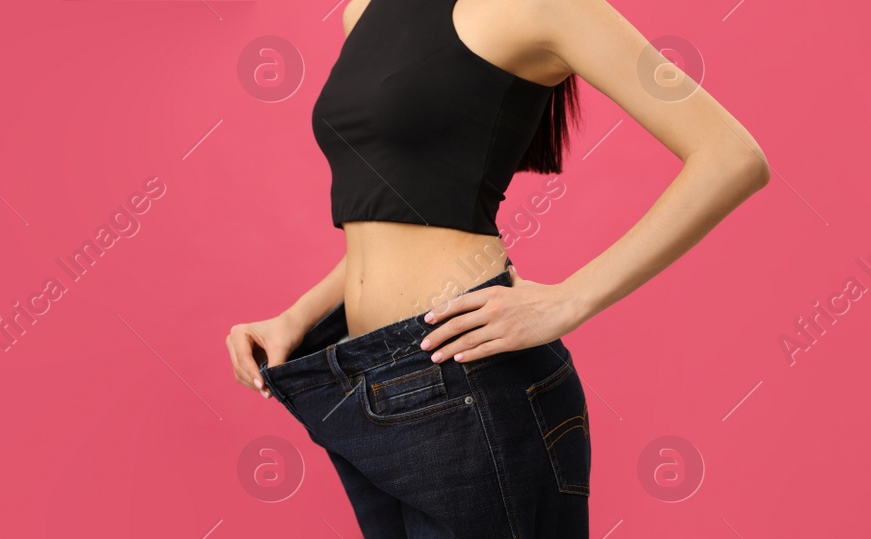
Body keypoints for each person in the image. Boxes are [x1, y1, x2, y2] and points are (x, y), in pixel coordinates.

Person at [224, 0, 769, 536]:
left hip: (469, 375)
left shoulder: (545, 7)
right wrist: (297, 316)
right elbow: (405, 213)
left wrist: (570, 299)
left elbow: (732, 156)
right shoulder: (362, 11)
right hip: (362, 382)